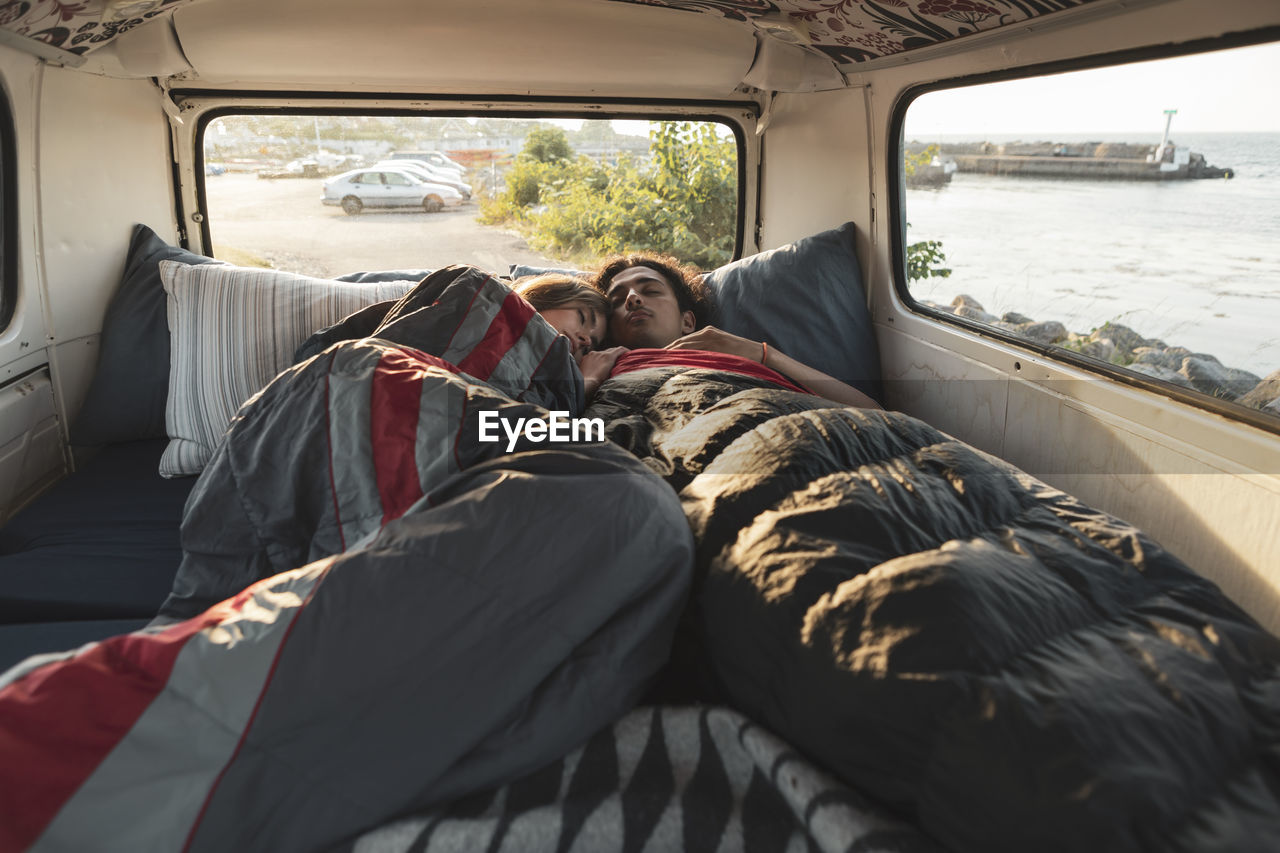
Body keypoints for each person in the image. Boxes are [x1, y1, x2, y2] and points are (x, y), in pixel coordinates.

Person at [590, 252, 882, 409]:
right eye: (618, 300)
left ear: (688, 322)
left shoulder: (745, 358)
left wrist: (763, 354)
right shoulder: (602, 368)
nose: (633, 299)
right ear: (609, 331)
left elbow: (875, 415)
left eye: (651, 290)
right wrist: (584, 384)